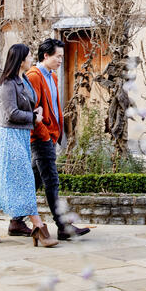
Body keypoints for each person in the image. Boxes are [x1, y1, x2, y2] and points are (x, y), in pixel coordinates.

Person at [0, 43, 58, 248]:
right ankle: (38, 227)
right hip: (9, 137)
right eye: (29, 56)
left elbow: (29, 102)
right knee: (25, 180)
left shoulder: (24, 80)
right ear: (21, 60)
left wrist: (35, 112)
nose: (32, 59)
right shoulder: (7, 84)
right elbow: (11, 113)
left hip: (21, 136)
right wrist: (34, 118)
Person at [26, 37, 91, 241]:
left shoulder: (52, 76)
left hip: (50, 136)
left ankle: (16, 220)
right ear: (46, 55)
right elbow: (33, 110)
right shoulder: (34, 76)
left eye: (62, 56)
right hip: (40, 137)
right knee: (52, 180)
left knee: (34, 179)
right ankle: (63, 226)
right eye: (58, 56)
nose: (61, 60)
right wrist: (45, 135)